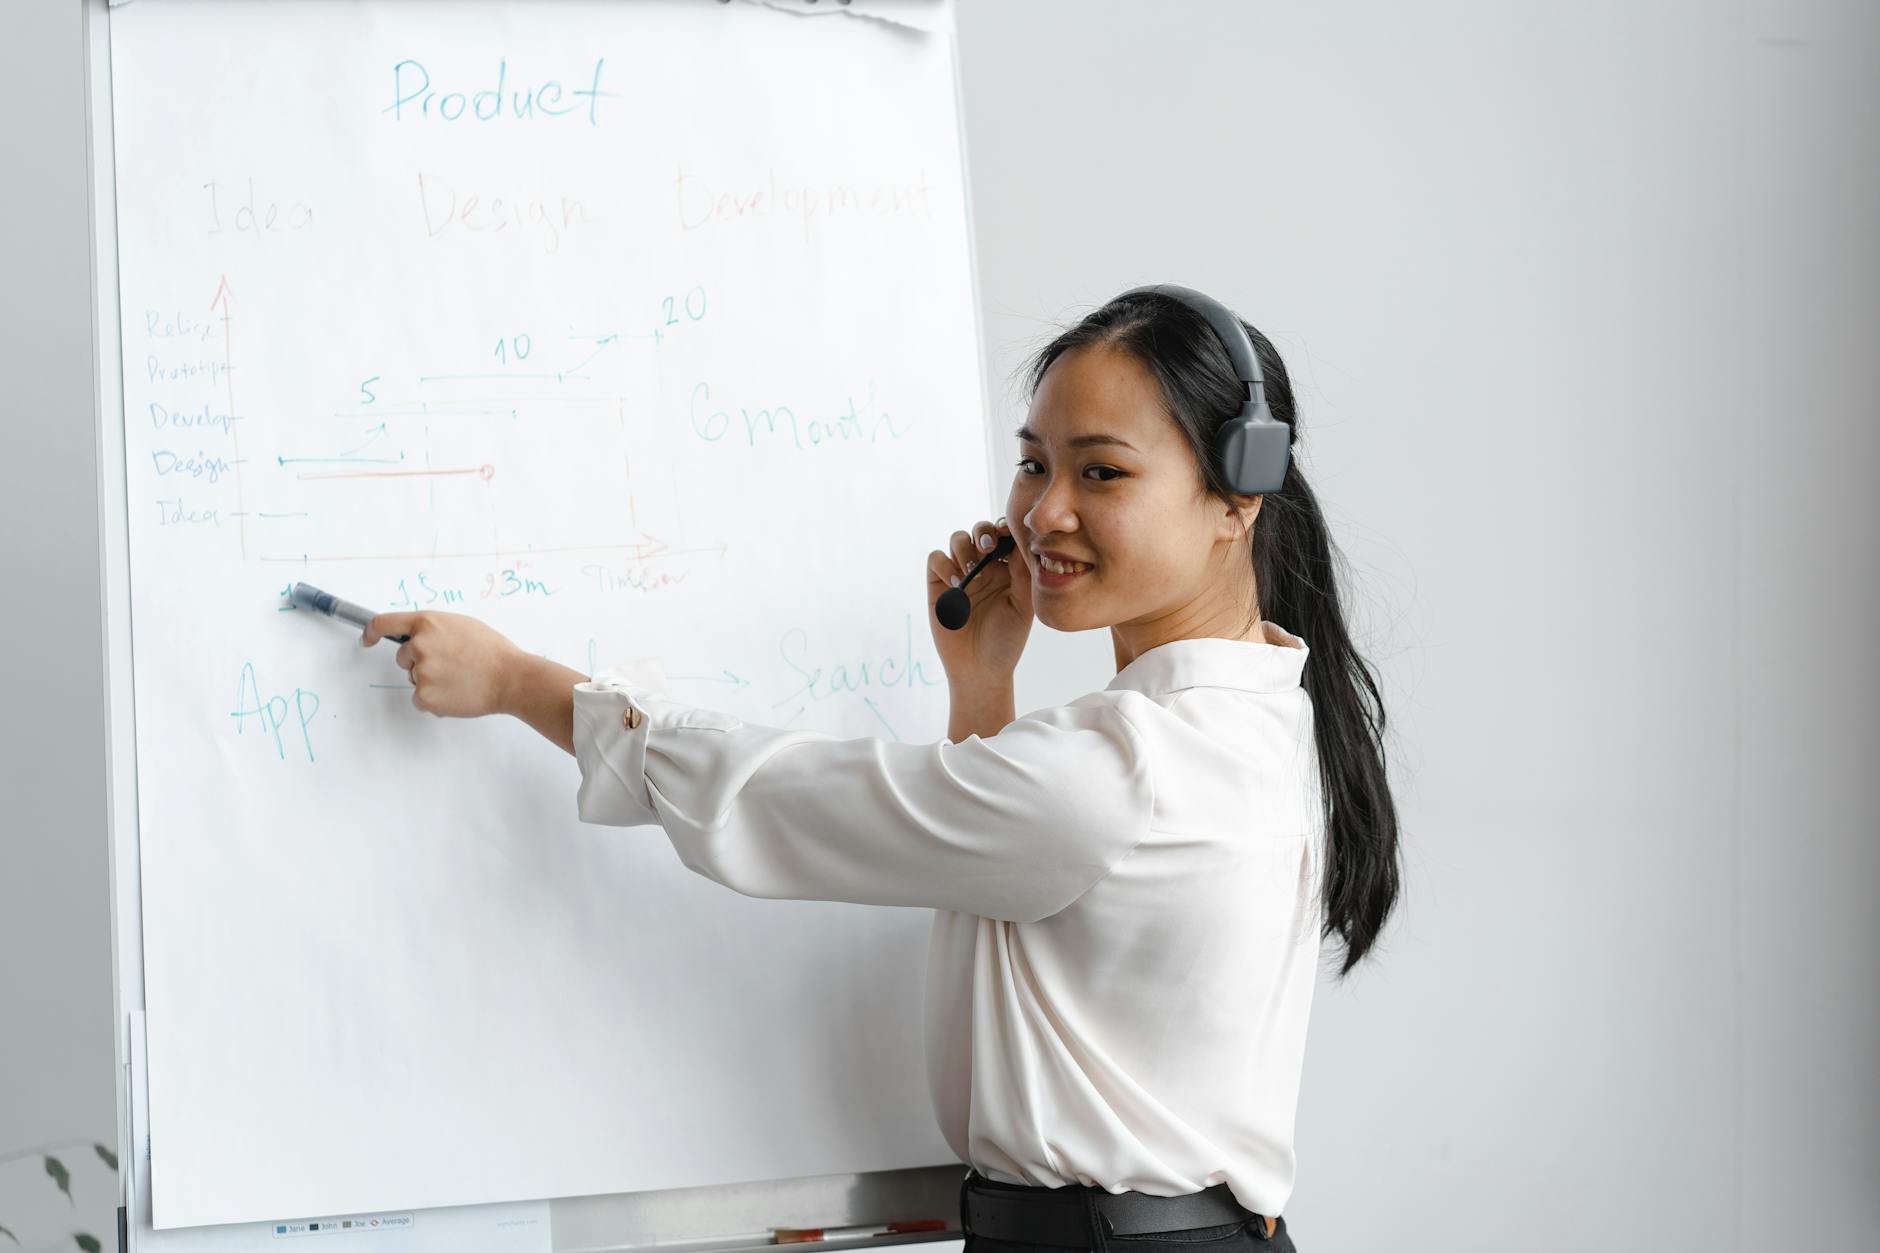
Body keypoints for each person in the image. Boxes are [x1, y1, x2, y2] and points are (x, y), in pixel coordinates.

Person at [362, 288, 1402, 1253]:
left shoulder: (1121, 771)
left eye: (1101, 470)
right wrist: (981, 690)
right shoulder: (1258, 713)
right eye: (1032, 461)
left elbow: (780, 798)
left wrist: (519, 680)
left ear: (1238, 496)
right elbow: (1006, 864)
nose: (1043, 512)